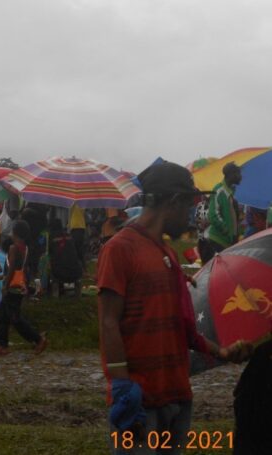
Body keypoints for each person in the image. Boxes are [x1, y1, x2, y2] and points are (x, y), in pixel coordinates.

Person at [98, 162, 250, 454]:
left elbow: (183, 325)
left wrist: (221, 352)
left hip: (177, 396)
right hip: (139, 402)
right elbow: (108, 322)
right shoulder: (119, 249)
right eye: (190, 205)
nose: (193, 214)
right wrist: (121, 387)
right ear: (173, 201)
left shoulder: (166, 251)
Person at [0, 220, 48, 356]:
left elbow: (12, 268)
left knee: (14, 318)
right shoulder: (25, 248)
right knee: (3, 314)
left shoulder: (13, 248)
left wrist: (5, 285)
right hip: (20, 285)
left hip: (12, 287)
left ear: (15, 232)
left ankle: (37, 339)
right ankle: (1, 344)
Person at [203, 162, 242, 263]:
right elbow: (213, 215)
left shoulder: (230, 192)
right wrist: (227, 232)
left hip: (227, 242)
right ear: (231, 174)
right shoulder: (219, 190)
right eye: (238, 173)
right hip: (217, 240)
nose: (241, 177)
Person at [48, 219, 82, 297]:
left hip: (59, 273)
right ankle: (76, 294)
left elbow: (48, 254)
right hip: (76, 272)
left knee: (47, 261)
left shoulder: (51, 237)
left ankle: (53, 292)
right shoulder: (70, 236)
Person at [68, 204, 87, 270]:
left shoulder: (74, 203)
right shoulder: (82, 204)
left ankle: (81, 268)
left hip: (76, 227)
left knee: (77, 249)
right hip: (80, 227)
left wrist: (69, 224)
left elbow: (70, 213)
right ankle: (82, 267)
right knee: (78, 249)